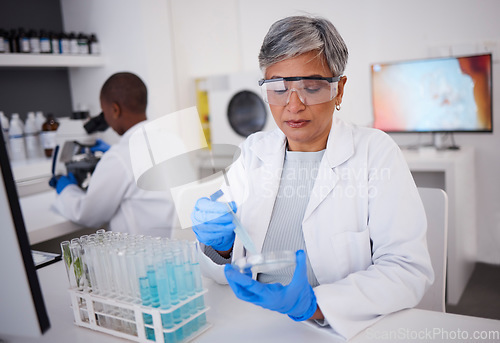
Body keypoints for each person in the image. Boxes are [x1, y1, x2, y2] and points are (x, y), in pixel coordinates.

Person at [191, 16, 434, 340]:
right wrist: (218, 246)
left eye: (311, 87)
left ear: (339, 89)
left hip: (334, 329)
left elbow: (407, 270)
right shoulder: (252, 152)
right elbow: (224, 269)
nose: (293, 105)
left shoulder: (375, 153)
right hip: (250, 320)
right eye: (279, 88)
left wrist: (314, 305)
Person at [51, 72, 177, 237]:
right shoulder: (172, 139)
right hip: (177, 250)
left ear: (115, 110)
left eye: (105, 112)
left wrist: (67, 189)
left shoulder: (119, 156)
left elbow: (87, 215)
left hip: (141, 256)